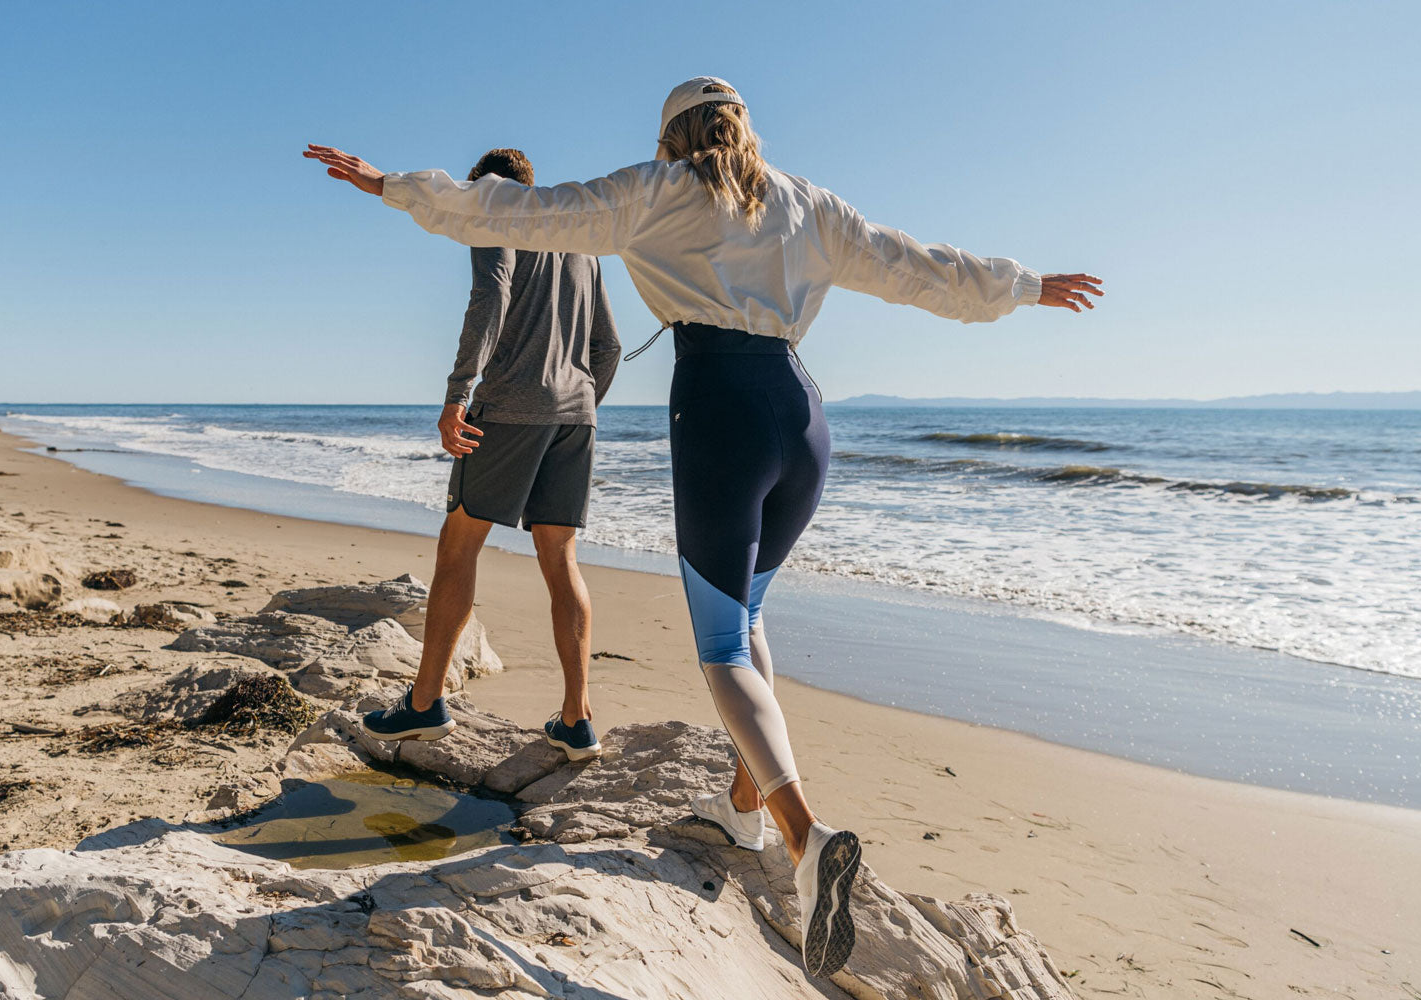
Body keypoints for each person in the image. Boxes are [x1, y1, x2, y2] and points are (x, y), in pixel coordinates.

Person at [304, 76, 1100, 978]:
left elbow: (520, 211)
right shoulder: (807, 202)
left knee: (722, 644)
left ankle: (805, 838)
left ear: (674, 136)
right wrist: (1023, 286)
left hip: (722, 413)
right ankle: (743, 812)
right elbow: (915, 265)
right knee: (751, 619)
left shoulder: (660, 190)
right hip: (803, 418)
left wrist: (391, 186)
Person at [357, 147, 622, 764]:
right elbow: (607, 346)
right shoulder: (578, 240)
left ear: (483, 187)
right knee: (561, 558)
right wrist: (575, 403)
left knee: (459, 545)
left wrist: (458, 394)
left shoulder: (493, 213)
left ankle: (425, 704)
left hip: (508, 409)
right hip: (576, 416)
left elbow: (491, 297)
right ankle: (577, 720)